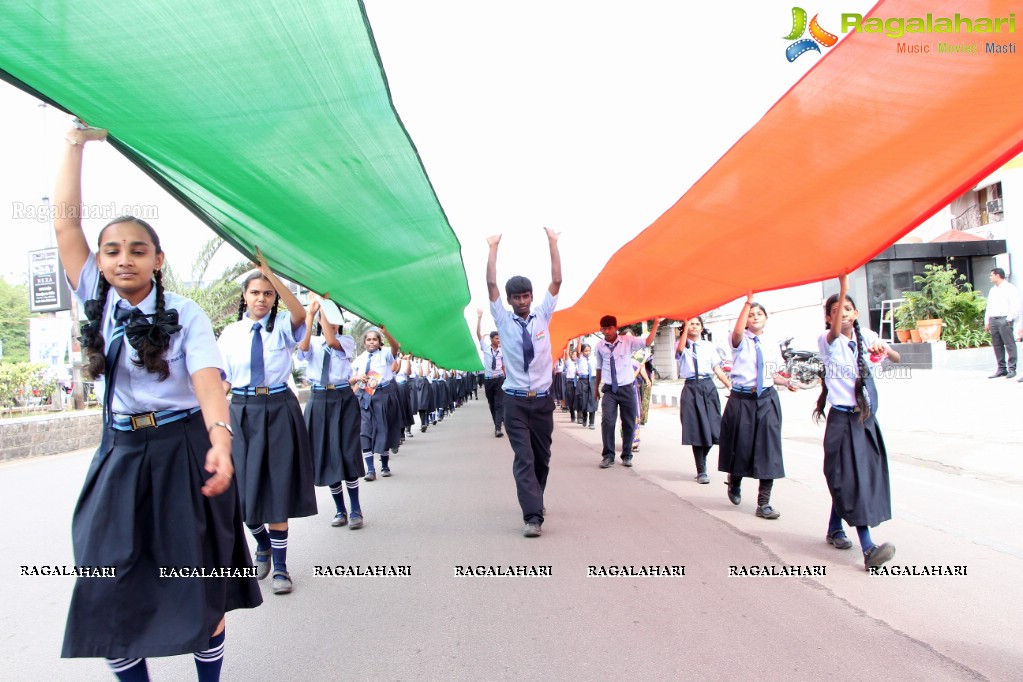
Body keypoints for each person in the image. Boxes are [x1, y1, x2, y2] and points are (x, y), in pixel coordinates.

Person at [55, 122, 260, 681]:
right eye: (113, 251)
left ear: (157, 260)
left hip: (185, 450)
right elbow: (63, 223)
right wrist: (74, 145)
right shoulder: (93, 301)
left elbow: (205, 378)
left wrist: (220, 440)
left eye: (138, 251)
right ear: (100, 262)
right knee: (106, 581)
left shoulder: (187, 315)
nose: (125, 259)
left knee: (198, 584)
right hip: (121, 451)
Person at [219, 251, 318, 596]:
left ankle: (281, 567)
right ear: (244, 297)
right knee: (244, 496)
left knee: (275, 490)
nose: (261, 298)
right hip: (242, 411)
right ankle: (260, 541)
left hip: (278, 408)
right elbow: (223, 381)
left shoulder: (283, 331)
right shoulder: (229, 334)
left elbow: (301, 312)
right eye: (255, 292)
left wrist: (270, 274)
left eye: (268, 293)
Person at [815, 274, 901, 571]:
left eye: (848, 308)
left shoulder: (868, 338)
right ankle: (868, 548)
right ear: (828, 318)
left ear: (857, 313)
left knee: (857, 480)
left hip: (865, 421)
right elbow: (833, 334)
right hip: (841, 421)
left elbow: (898, 358)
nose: (843, 313)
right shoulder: (828, 342)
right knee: (848, 480)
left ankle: (834, 528)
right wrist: (843, 288)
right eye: (836, 311)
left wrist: (885, 351)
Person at [486, 228, 562, 537]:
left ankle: (537, 497)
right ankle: (532, 516)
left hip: (543, 401)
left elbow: (556, 281)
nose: (522, 301)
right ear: (509, 300)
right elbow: (490, 283)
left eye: (526, 295)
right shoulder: (502, 321)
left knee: (542, 458)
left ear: (531, 296)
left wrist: (552, 243)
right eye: (516, 297)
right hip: (515, 401)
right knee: (525, 457)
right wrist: (493, 249)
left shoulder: (543, 315)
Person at [718, 293, 794, 519]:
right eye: (751, 315)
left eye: (759, 314)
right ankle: (735, 481)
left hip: (767, 399)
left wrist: (787, 382)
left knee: (768, 448)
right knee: (740, 447)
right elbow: (739, 332)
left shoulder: (771, 342)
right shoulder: (738, 341)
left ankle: (764, 503)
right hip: (742, 400)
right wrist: (747, 302)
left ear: (766, 318)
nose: (755, 317)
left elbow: (772, 375)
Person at [296, 298, 365, 530]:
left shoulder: (345, 341)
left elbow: (330, 339)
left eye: (335, 320)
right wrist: (310, 316)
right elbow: (303, 349)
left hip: (343, 398)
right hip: (319, 400)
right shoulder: (314, 341)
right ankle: (340, 509)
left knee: (346, 452)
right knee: (327, 455)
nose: (331, 323)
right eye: (328, 319)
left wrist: (323, 311)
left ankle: (355, 509)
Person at [593, 317, 660, 468]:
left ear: (615, 327)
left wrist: (656, 323)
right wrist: (596, 389)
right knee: (607, 422)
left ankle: (627, 455)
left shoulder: (628, 341)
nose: (606, 332)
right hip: (610, 389)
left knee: (629, 422)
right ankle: (608, 455)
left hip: (627, 388)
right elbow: (598, 368)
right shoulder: (599, 346)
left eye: (609, 328)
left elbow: (647, 342)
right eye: (603, 329)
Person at [675, 316, 731, 483]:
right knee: (696, 430)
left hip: (708, 386)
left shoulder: (708, 346)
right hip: (691, 388)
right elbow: (679, 351)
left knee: (714, 430)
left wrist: (729, 385)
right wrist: (684, 328)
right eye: (690, 324)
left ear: (701, 327)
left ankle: (703, 460)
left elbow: (717, 369)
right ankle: (701, 470)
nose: (694, 326)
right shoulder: (682, 346)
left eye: (697, 324)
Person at [351, 326, 401, 480]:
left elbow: (395, 347)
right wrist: (357, 379)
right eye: (368, 339)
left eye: (374, 339)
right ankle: (370, 470)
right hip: (365, 396)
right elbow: (352, 381)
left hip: (382, 396)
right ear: (364, 342)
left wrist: (386, 332)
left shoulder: (385, 354)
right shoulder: (359, 359)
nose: (371, 342)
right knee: (365, 431)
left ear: (379, 342)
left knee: (382, 429)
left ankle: (385, 465)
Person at [984, 268, 1021, 379]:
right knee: (997, 345)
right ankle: (1001, 369)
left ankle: (1012, 369)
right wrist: (987, 321)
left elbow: (1015, 305)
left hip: (1004, 319)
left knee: (1009, 345)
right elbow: (989, 306)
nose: (990, 277)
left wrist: (1009, 319)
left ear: (998, 275)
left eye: (992, 275)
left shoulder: (1010, 288)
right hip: (993, 320)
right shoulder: (992, 290)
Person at [477, 308, 506, 437]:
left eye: (499, 338)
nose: (498, 340)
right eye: (496, 338)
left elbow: (504, 366)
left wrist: (506, 377)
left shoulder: (502, 351)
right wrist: (479, 318)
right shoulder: (485, 348)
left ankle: (498, 428)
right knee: (492, 403)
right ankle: (497, 423)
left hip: (499, 378)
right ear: (491, 339)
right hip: (488, 379)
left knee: (499, 404)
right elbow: (478, 333)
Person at [575, 343, 599, 428]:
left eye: (589, 350)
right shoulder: (580, 359)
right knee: (583, 400)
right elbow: (577, 351)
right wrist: (579, 338)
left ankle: (592, 422)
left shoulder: (594, 359)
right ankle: (584, 416)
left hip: (592, 380)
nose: (587, 352)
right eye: (585, 351)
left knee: (593, 400)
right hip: (583, 380)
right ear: (582, 352)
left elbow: (598, 370)